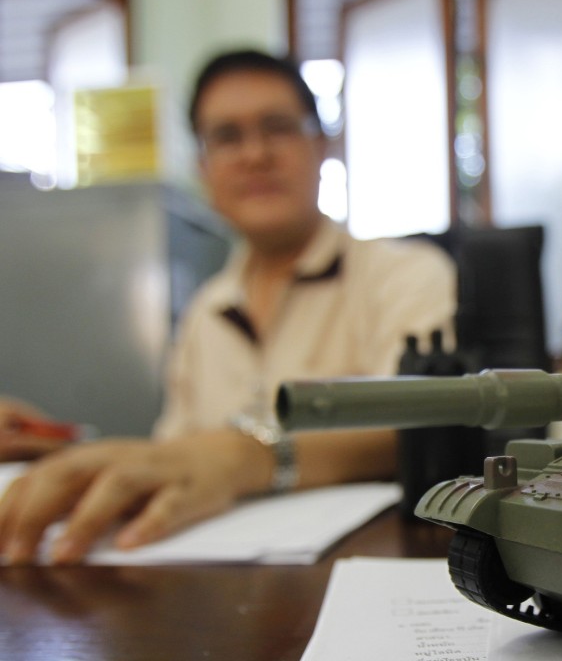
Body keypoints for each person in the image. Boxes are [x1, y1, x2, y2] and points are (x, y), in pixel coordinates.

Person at [0, 49, 457, 565]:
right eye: (226, 137)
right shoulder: (205, 313)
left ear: (322, 145)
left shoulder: (405, 274)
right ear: (203, 167)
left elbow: (425, 424)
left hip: (365, 573)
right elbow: (175, 457)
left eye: (278, 127)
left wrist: (246, 455)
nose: (254, 154)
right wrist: (59, 451)